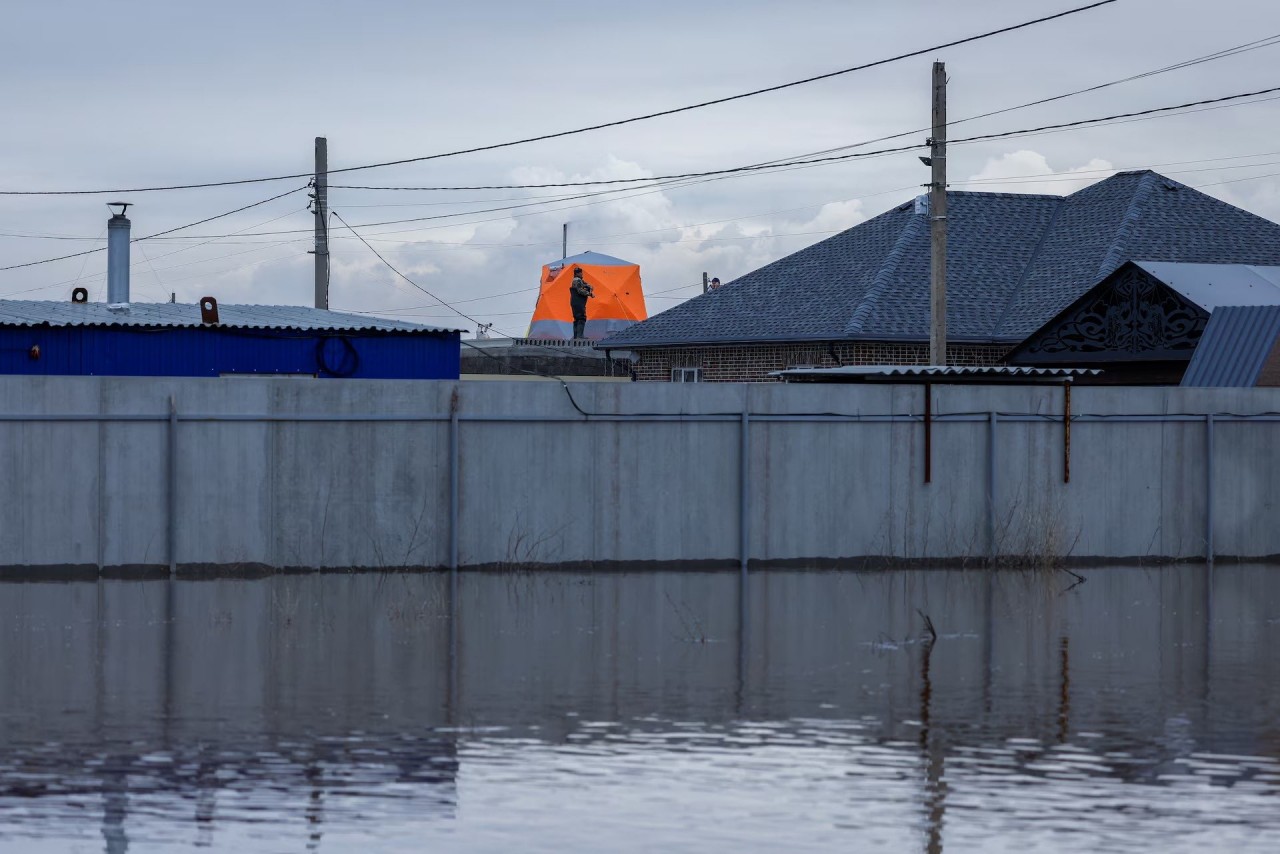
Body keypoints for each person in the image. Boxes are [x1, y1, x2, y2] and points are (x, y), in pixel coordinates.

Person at [569, 266, 595, 339]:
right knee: (581, 318)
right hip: (578, 302)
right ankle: (580, 337)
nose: (582, 274)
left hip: (574, 302)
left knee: (577, 318)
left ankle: (576, 336)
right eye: (581, 273)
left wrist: (588, 286)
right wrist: (590, 293)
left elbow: (583, 284)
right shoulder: (577, 280)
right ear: (578, 273)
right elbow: (580, 290)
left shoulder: (576, 280)